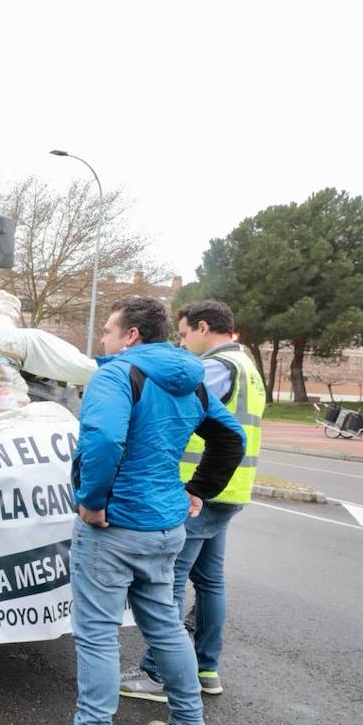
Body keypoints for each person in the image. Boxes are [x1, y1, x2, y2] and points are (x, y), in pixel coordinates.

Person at [31, 296, 245, 725]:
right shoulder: (190, 379)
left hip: (113, 527)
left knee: (98, 633)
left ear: (131, 335)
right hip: (165, 526)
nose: (102, 339)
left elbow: (104, 440)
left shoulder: (116, 374)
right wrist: (198, 491)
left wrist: (92, 500)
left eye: (108, 330)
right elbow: (231, 438)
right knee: (166, 626)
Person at [121, 300, 264, 702]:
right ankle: (205, 668)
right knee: (209, 581)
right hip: (231, 488)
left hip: (198, 488)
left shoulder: (217, 367)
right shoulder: (249, 368)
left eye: (184, 335)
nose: (182, 345)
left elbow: (185, 408)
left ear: (204, 327)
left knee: (167, 581)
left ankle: (157, 673)